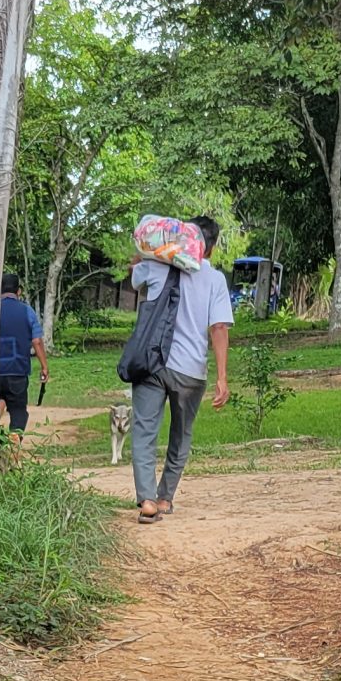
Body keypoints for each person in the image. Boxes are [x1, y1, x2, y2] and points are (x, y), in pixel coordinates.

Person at [128, 216, 233, 522]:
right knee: (181, 435)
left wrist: (146, 253)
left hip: (152, 363)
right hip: (190, 371)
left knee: (144, 430)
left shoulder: (157, 265)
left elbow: (134, 275)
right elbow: (219, 328)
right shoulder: (214, 279)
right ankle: (164, 499)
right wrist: (222, 377)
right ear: (210, 248)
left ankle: (146, 499)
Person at [0, 271, 48, 437]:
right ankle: (14, 440)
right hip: (17, 371)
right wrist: (44, 367)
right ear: (19, 291)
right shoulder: (27, 311)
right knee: (18, 411)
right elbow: (37, 341)